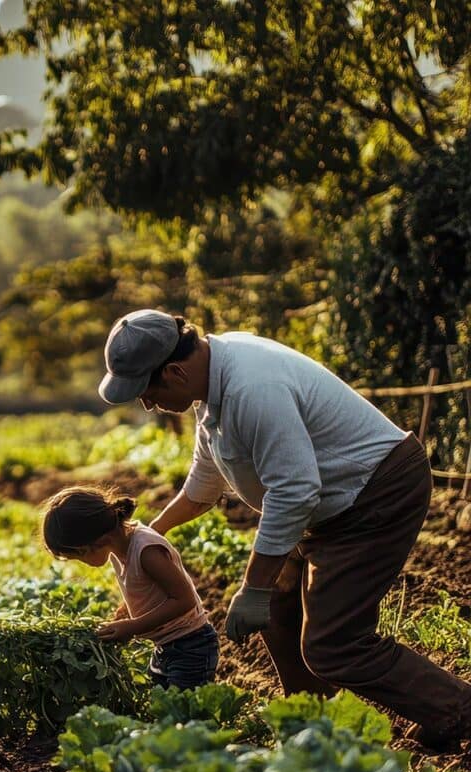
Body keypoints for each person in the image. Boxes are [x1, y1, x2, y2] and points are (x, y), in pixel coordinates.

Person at [97, 307, 471, 749]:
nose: (148, 404)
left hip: (373, 496)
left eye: (147, 392)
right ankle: (318, 730)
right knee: (277, 611)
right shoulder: (212, 385)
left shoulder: (253, 388)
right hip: (328, 507)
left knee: (333, 644)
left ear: (174, 371)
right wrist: (150, 534)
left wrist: (253, 587)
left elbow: (294, 491)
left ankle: (456, 710)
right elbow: (205, 482)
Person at [42, 486, 218, 688]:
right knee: (161, 704)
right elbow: (146, 588)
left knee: (186, 711)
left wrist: (133, 627)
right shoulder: (119, 549)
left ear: (95, 543)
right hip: (166, 645)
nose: (82, 564)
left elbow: (184, 600)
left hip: (192, 645)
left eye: (79, 558)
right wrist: (127, 611)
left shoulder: (147, 551)